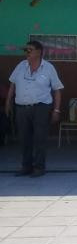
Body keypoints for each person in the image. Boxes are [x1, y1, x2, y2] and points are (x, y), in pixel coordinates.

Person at [5, 41, 64, 177]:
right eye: (26, 50)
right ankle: (26, 166)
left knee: (39, 138)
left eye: (30, 50)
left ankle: (39, 167)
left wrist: (56, 110)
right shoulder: (20, 66)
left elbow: (57, 90)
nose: (27, 53)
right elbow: (12, 84)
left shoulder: (49, 68)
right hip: (22, 108)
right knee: (24, 138)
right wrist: (8, 102)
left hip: (41, 108)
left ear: (39, 52)